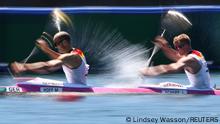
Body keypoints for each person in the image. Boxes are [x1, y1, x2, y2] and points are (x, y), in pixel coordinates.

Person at [10, 31, 89, 85]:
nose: (56, 47)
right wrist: (46, 49)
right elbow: (62, 58)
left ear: (64, 42)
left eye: (56, 44)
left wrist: (24, 67)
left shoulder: (71, 56)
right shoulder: (77, 52)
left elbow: (48, 66)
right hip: (79, 86)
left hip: (76, 90)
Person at [140, 33, 213, 89]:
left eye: (180, 46)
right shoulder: (197, 53)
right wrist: (165, 47)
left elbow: (172, 67)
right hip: (204, 88)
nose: (178, 49)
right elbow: (176, 56)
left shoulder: (190, 59)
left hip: (200, 90)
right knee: (166, 84)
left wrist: (147, 71)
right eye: (176, 47)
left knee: (164, 85)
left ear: (187, 45)